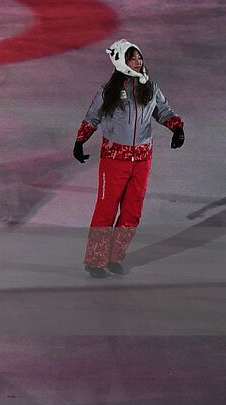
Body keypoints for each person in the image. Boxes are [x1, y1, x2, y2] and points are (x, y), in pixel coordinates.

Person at [74, 39, 183, 278]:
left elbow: (163, 111)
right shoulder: (107, 92)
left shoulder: (150, 87)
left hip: (142, 159)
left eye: (139, 57)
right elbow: (92, 117)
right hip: (115, 158)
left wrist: (177, 128)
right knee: (106, 210)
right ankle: (95, 261)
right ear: (121, 61)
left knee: (132, 212)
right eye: (132, 58)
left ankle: (115, 257)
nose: (138, 62)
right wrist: (80, 141)